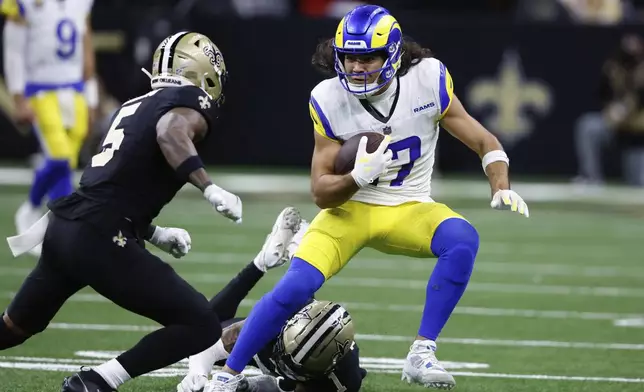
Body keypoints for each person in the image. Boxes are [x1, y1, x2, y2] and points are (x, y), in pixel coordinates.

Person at [207, 5, 530, 391]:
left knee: (462, 240)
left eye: (368, 57)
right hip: (349, 211)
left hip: (409, 206)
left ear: (392, 54)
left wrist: (501, 186)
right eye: (350, 58)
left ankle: (421, 353)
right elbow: (320, 191)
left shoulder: (427, 79)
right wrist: (359, 177)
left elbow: (485, 141)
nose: (357, 68)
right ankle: (228, 376)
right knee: (295, 288)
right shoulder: (328, 98)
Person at [2, 31, 247, 392]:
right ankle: (99, 381)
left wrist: (154, 233)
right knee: (201, 325)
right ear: (203, 74)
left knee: (13, 328)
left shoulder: (131, 106)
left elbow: (111, 184)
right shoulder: (187, 101)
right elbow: (170, 133)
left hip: (66, 226)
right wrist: (207, 186)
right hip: (99, 236)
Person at [177, 220, 367, 392]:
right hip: (272, 338)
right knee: (193, 336)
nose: (288, 366)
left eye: (297, 369)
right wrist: (198, 373)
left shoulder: (341, 381)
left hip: (299, 373)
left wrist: (251, 386)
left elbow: (287, 388)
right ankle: (262, 262)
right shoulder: (275, 322)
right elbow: (208, 343)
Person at [1, 0, 99, 256]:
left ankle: (61, 235)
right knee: (59, 158)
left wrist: (91, 96)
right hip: (41, 90)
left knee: (66, 165)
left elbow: (86, 45)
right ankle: (32, 207)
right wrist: (18, 96)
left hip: (74, 89)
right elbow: (13, 49)